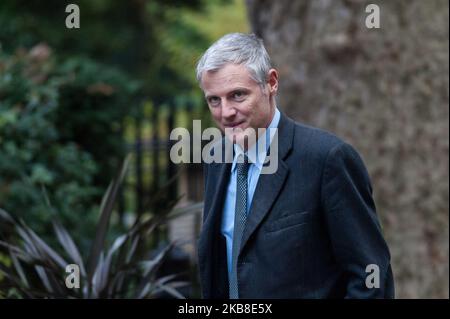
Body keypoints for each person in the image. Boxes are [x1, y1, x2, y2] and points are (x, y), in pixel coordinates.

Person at [196, 33, 394, 299]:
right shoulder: (216, 159)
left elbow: (371, 277)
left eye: (238, 95)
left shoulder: (327, 159)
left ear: (271, 83)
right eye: (214, 100)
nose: (226, 112)